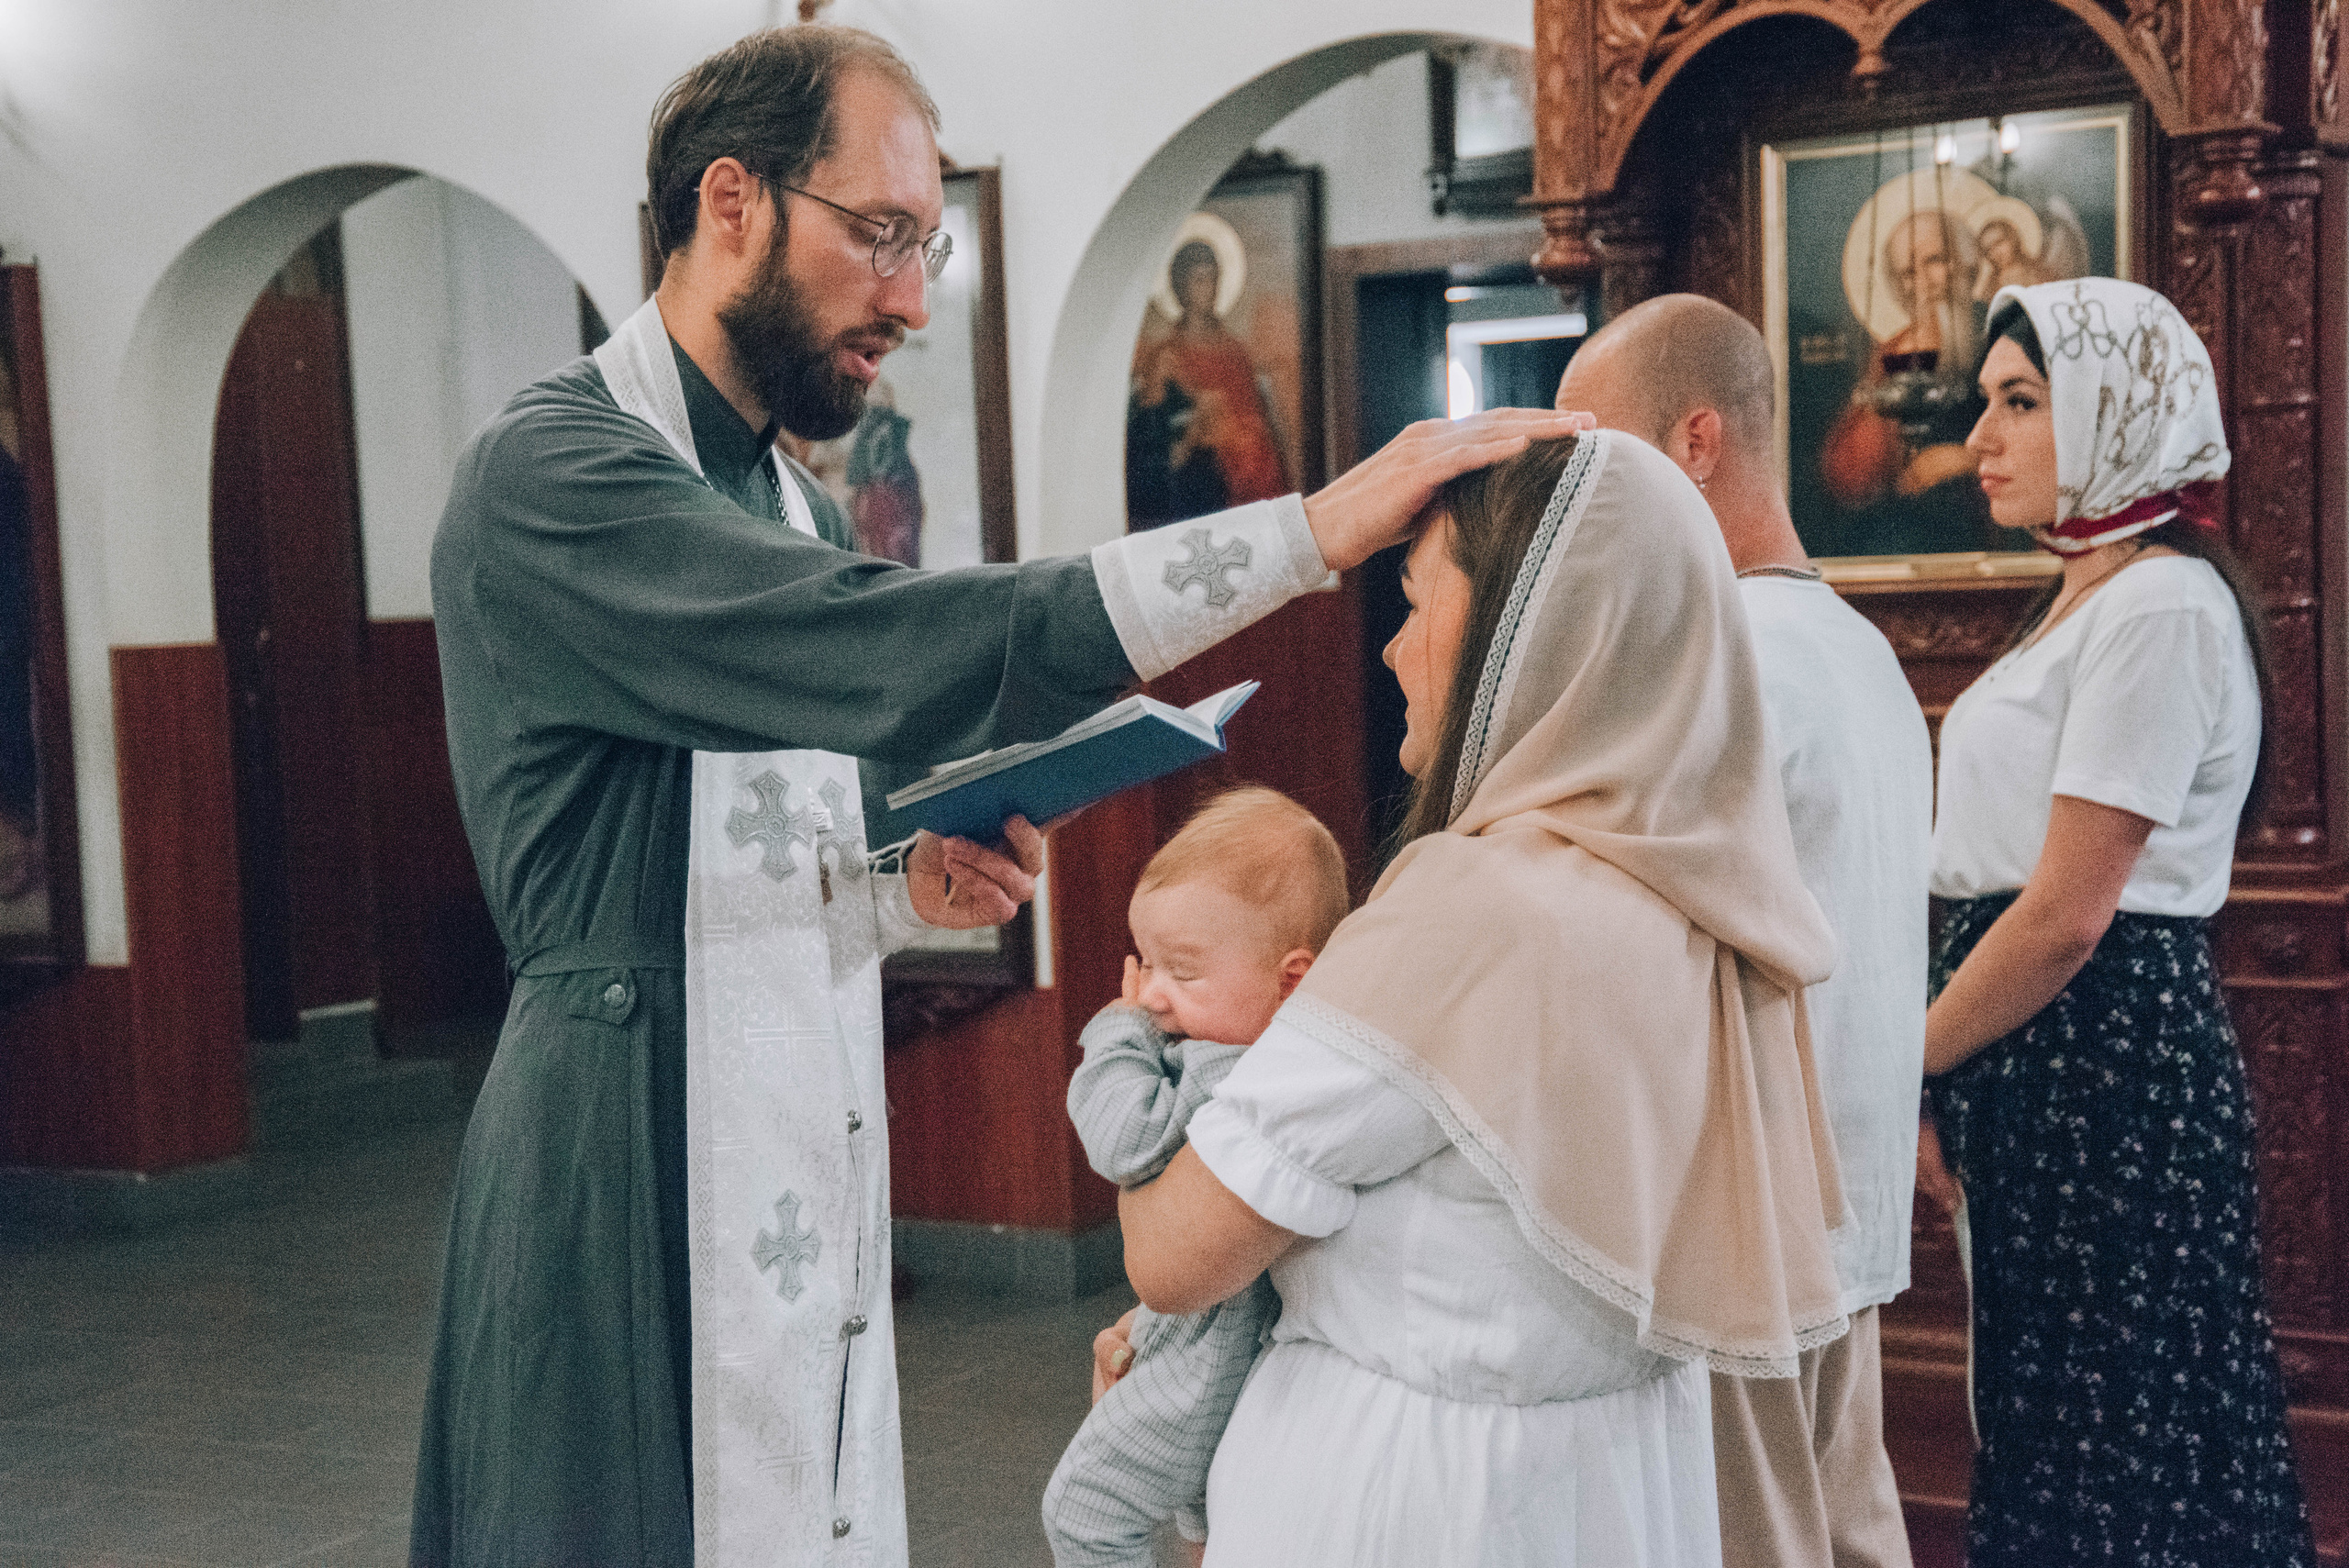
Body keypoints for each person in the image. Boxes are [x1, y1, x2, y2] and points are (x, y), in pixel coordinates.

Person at [409, 25, 1585, 1567]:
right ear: (732, 203)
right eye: (881, 233)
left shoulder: (783, 495)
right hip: (621, 1145)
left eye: (927, 242)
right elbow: (884, 656)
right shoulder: (556, 471)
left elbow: (741, 827)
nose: (909, 292)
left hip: (781, 1121)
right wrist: (1310, 530)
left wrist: (900, 883)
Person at [1102, 429, 1849, 1565]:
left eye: (1415, 600)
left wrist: (1148, 1060)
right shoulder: (1712, 899)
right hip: (1619, 1480)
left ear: (1526, 627)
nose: (1395, 648)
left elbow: (1176, 1252)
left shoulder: (1473, 904)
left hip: (1419, 1495)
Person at [1920, 276, 2316, 1566]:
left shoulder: (2156, 604)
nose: (1982, 437)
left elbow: (2066, 914)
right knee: (2051, 1421)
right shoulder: (2089, 589)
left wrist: (1900, 1061)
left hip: (2100, 1058)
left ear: (2117, 414)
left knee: (2120, 1438)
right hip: (2032, 1050)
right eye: (1985, 403)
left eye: (2022, 403)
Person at [1556, 293, 1931, 1568]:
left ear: (1697, 440)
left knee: (1761, 1543)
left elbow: (1639, 946)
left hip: (1755, 1213)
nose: (1574, 486)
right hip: (1846, 1203)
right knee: (1849, 1528)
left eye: (1593, 445)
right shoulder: (1859, 647)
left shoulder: (1730, 657)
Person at [1043, 787, 1349, 1568]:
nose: (1149, 993)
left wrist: (1115, 1032)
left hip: (1208, 1350)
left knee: (1083, 1510)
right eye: (1145, 962)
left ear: (1290, 980)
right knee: (1208, 1517)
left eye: (1182, 969)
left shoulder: (1229, 1064)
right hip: (1221, 1337)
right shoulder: (1241, 1048)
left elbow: (1121, 1140)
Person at [1126, 240, 1288, 528]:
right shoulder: (1166, 355)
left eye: (1213, 278)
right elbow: (1153, 436)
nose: (1208, 288)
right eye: (1199, 279)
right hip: (1197, 483)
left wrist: (1243, 434)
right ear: (1180, 287)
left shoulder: (1236, 352)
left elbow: (1255, 416)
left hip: (1249, 472)